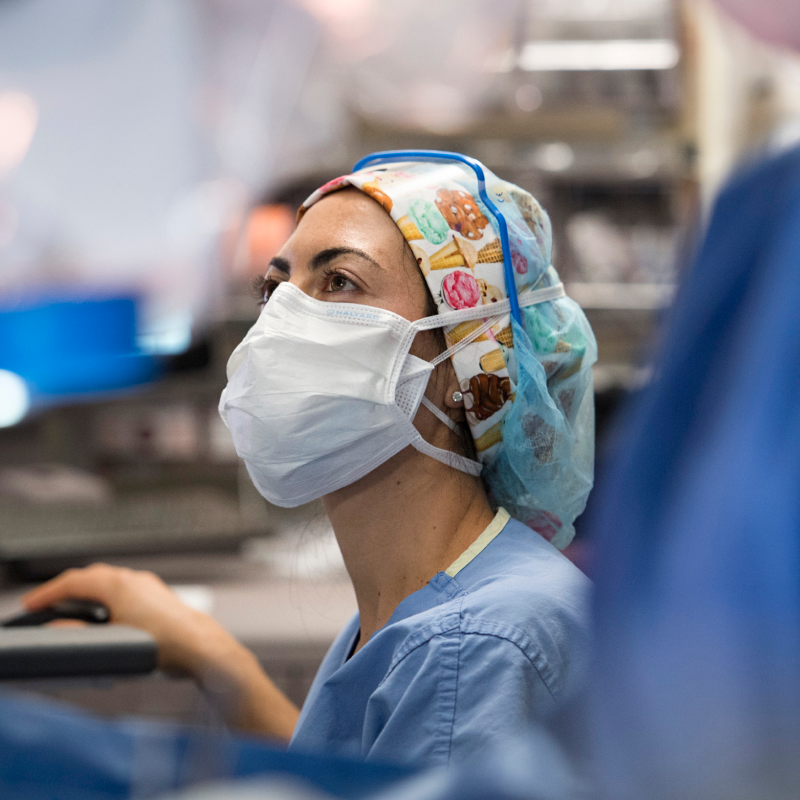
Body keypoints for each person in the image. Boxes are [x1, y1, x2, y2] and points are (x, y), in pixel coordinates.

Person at [21, 152, 596, 767]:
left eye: (339, 282)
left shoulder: (479, 645)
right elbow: (360, 779)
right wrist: (211, 656)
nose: (280, 323)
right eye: (274, 288)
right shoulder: (417, 615)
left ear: (467, 365)